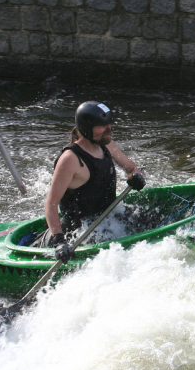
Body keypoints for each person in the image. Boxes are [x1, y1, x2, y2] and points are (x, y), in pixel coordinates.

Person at [38, 101, 146, 264]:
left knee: (147, 217)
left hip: (109, 216)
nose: (108, 129)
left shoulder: (106, 144)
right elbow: (51, 203)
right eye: (102, 126)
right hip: (81, 230)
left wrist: (136, 177)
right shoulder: (70, 159)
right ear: (86, 128)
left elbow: (132, 168)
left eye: (109, 124)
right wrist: (60, 241)